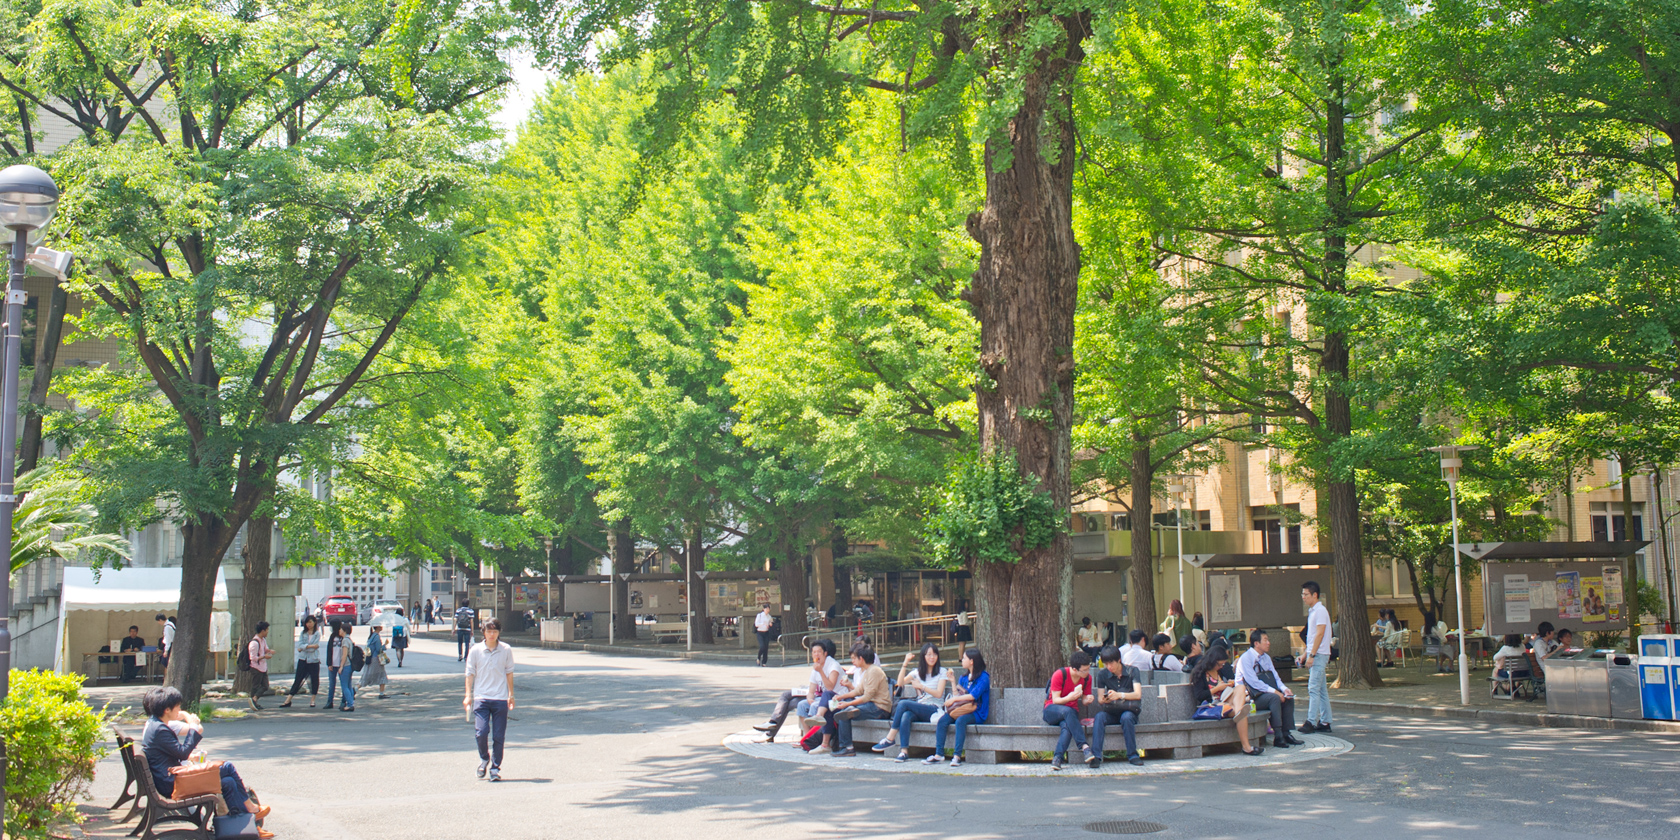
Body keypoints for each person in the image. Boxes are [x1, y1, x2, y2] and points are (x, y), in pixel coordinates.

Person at [141, 687, 274, 838]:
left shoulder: (154, 725)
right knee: (227, 767)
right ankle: (250, 808)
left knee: (229, 782)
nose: (179, 708)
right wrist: (192, 726)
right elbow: (182, 752)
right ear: (166, 709)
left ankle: (246, 828)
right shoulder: (160, 729)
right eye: (177, 706)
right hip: (173, 784)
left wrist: (191, 756)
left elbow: (175, 753)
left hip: (170, 780)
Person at [875, 643, 951, 760]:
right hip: (920, 707)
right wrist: (905, 663)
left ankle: (890, 738)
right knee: (906, 715)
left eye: (935, 654)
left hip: (934, 709)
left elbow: (939, 693)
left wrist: (922, 686)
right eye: (929, 654)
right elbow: (899, 684)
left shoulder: (942, 671)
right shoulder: (917, 672)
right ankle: (904, 751)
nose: (932, 657)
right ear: (923, 656)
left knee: (903, 704)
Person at [464, 617, 516, 781]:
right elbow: (469, 673)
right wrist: (468, 696)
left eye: (494, 631)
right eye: (488, 631)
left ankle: (495, 768)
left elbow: (509, 672)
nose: (491, 634)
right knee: (481, 732)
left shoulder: (506, 649)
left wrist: (511, 695)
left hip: (500, 698)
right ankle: (484, 758)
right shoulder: (476, 650)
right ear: (484, 632)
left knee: (499, 736)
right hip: (481, 697)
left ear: (499, 632)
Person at [1189, 646, 1261, 756]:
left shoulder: (1222, 671)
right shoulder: (1200, 673)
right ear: (1212, 661)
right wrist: (1217, 688)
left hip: (1226, 699)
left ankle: (1238, 711)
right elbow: (1199, 695)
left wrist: (1230, 683)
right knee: (1241, 714)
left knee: (1240, 688)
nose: (1221, 667)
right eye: (1219, 664)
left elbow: (1233, 682)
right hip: (1212, 705)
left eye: (1223, 664)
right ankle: (1247, 747)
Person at [1238, 629, 1302, 748]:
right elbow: (1254, 683)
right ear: (1256, 643)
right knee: (1274, 698)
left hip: (1264, 693)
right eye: (1265, 640)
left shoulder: (1266, 657)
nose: (1269, 643)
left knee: (1288, 697)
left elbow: (1276, 677)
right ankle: (1278, 736)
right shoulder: (1245, 659)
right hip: (1251, 696)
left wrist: (1284, 689)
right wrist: (1276, 692)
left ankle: (1286, 733)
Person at [928, 648, 989, 767]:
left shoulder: (983, 678)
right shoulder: (964, 677)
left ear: (971, 661)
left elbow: (973, 696)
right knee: (943, 721)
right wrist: (952, 681)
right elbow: (958, 696)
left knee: (960, 721)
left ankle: (957, 756)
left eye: (964, 658)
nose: (962, 660)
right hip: (961, 709)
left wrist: (954, 699)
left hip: (976, 712)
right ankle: (939, 754)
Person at [827, 644, 891, 757]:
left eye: (853, 658)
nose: (852, 661)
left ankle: (847, 747)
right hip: (871, 706)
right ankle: (845, 746)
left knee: (844, 713)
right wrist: (840, 697)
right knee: (844, 712)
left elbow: (866, 697)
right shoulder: (867, 671)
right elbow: (858, 691)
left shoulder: (874, 671)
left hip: (879, 708)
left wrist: (848, 703)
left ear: (861, 658)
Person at [1042, 650, 1097, 770]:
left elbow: (1083, 700)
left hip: (1070, 714)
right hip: (1052, 710)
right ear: (1075, 669)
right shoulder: (1060, 674)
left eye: (1088, 668)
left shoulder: (1087, 679)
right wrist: (1069, 698)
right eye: (1084, 670)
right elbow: (1055, 700)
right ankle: (1084, 746)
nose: (1087, 672)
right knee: (1068, 711)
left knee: (1067, 726)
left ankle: (1057, 759)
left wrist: (1088, 699)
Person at [1091, 645, 1144, 768]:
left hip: (1129, 710)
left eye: (1111, 663)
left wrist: (1119, 695)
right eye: (1106, 664)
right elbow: (1100, 699)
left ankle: (1133, 755)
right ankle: (1097, 756)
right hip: (1112, 711)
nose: (1109, 667)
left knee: (1126, 718)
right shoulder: (1103, 675)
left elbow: (1137, 694)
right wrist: (1106, 698)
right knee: (1099, 717)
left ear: (1119, 660)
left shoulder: (1132, 671)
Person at [794, 639, 844, 753]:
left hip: (838, 698)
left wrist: (821, 671)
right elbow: (811, 689)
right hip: (824, 699)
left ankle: (816, 741)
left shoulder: (833, 666)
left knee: (815, 706)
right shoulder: (816, 668)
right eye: (814, 652)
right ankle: (807, 738)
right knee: (802, 705)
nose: (816, 655)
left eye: (819, 652)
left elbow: (830, 687)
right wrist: (809, 698)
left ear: (825, 653)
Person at [1298, 581, 1333, 734]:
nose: (1303, 597)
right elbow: (1313, 637)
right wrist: (1305, 654)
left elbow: (1320, 634)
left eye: (1306, 594)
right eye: (1303, 594)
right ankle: (1325, 721)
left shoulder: (1320, 611)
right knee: (1321, 689)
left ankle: (1311, 721)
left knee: (1313, 688)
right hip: (1317, 653)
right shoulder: (1314, 611)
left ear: (1314, 595)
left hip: (1319, 654)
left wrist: (1311, 655)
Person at [280, 615, 323, 708]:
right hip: (303, 659)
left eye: (310, 622)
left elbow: (314, 646)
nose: (309, 624)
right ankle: (288, 700)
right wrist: (309, 646)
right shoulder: (303, 633)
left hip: (313, 660)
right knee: (298, 679)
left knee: (315, 680)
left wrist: (305, 647)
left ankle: (313, 700)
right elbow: (300, 645)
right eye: (307, 623)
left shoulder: (317, 634)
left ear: (314, 622)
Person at [325, 621, 355, 712]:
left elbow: (344, 655)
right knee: (349, 685)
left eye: (341, 629)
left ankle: (349, 704)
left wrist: (341, 666)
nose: (339, 630)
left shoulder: (345, 640)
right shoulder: (349, 639)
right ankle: (350, 703)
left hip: (345, 665)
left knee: (345, 686)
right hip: (349, 665)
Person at [245, 621, 274, 711]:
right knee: (255, 685)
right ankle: (254, 702)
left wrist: (269, 651)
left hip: (263, 667)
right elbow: (253, 657)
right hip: (256, 667)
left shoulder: (263, 640)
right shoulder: (254, 643)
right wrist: (264, 657)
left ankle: (254, 700)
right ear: (262, 630)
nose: (268, 631)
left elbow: (264, 649)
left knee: (265, 685)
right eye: (267, 630)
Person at [363, 625, 389, 699]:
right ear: (377, 627)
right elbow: (378, 649)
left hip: (371, 658)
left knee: (368, 675)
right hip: (376, 659)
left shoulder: (372, 636)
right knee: (382, 675)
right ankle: (381, 693)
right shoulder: (376, 637)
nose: (382, 626)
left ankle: (381, 693)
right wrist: (385, 645)